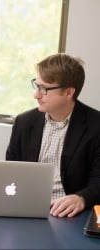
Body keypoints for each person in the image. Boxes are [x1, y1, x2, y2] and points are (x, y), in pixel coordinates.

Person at [6, 53, 100, 218]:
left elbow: (98, 181)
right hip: (27, 208)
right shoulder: (24, 122)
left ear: (69, 92)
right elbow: (11, 171)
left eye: (45, 89)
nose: (36, 95)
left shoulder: (96, 125)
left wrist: (82, 198)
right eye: (37, 85)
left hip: (71, 215)